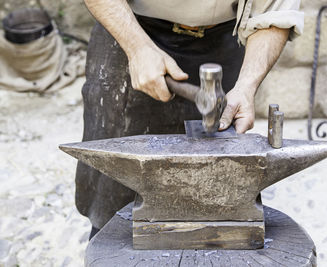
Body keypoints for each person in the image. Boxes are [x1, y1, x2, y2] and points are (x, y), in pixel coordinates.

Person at [77, 0, 304, 239]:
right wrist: (137, 48)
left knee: (220, 193)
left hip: (223, 37)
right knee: (113, 195)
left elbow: (275, 11)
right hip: (129, 25)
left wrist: (247, 85)